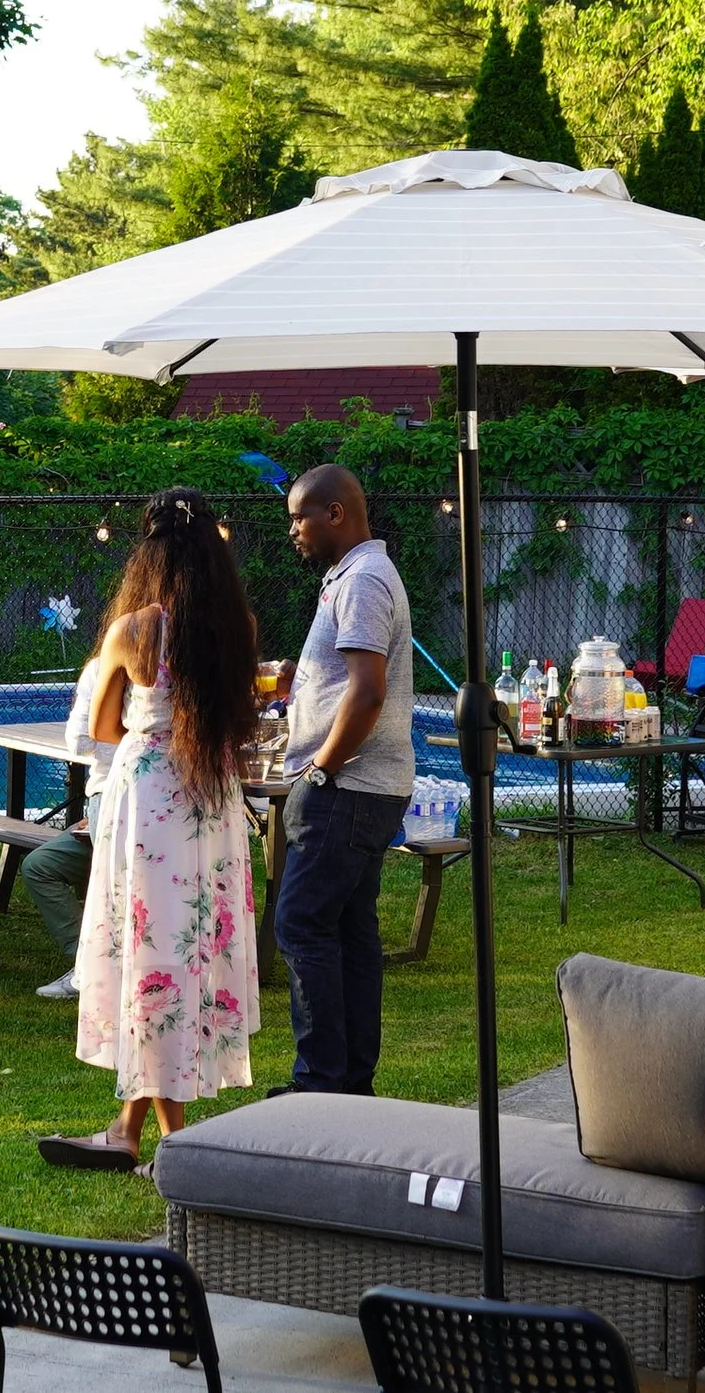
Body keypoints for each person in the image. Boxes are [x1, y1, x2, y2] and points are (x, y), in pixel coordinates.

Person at [40, 488, 260, 1171]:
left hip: (148, 800)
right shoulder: (238, 629)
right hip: (211, 799)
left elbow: (103, 728)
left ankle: (172, 1144)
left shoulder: (134, 630)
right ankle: (127, 1129)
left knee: (152, 952)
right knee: (187, 952)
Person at [270, 463, 415, 1097]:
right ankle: (351, 1084)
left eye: (299, 517)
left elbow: (368, 693)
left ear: (335, 514)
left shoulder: (362, 580)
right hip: (365, 789)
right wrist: (298, 679)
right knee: (351, 931)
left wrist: (321, 769)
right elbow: (348, 680)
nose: (292, 530)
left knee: (301, 922)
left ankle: (320, 1084)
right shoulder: (355, 576)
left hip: (348, 789)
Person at [23, 658, 115, 1001]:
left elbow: (79, 742)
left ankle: (104, 969)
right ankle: (89, 963)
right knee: (39, 865)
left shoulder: (105, 669)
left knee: (121, 890)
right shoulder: (104, 668)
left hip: (126, 809)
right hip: (111, 806)